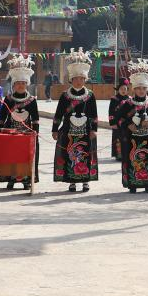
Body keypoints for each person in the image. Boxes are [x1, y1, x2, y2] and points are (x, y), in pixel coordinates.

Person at [52, 48, 99, 192]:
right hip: (68, 131)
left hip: (86, 131)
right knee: (69, 154)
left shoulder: (90, 95)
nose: (79, 81)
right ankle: (71, 181)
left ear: (85, 79)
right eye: (76, 78)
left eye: (82, 78)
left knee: (86, 153)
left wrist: (95, 130)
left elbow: (94, 114)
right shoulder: (65, 96)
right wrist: (55, 129)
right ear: (71, 79)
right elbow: (58, 114)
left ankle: (86, 181)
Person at [114, 59, 148, 192]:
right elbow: (117, 120)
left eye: (144, 88)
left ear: (147, 89)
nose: (141, 91)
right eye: (138, 88)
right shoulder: (127, 104)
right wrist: (128, 125)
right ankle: (133, 184)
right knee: (132, 159)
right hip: (131, 140)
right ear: (134, 89)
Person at [0, 54, 39, 190]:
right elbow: (2, 118)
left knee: (26, 156)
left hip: (27, 134)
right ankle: (11, 178)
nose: (21, 85)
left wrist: (35, 132)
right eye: (18, 83)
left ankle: (27, 179)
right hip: (11, 133)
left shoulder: (32, 100)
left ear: (27, 84)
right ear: (14, 84)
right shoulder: (8, 99)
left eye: (23, 83)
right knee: (11, 155)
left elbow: (36, 118)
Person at [109, 80, 130, 159]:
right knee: (118, 138)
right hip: (117, 123)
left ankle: (127, 154)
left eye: (125, 89)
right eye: (121, 89)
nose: (123, 90)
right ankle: (119, 154)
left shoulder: (129, 99)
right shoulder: (114, 99)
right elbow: (111, 112)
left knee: (127, 138)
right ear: (118, 90)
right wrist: (113, 123)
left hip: (126, 123)